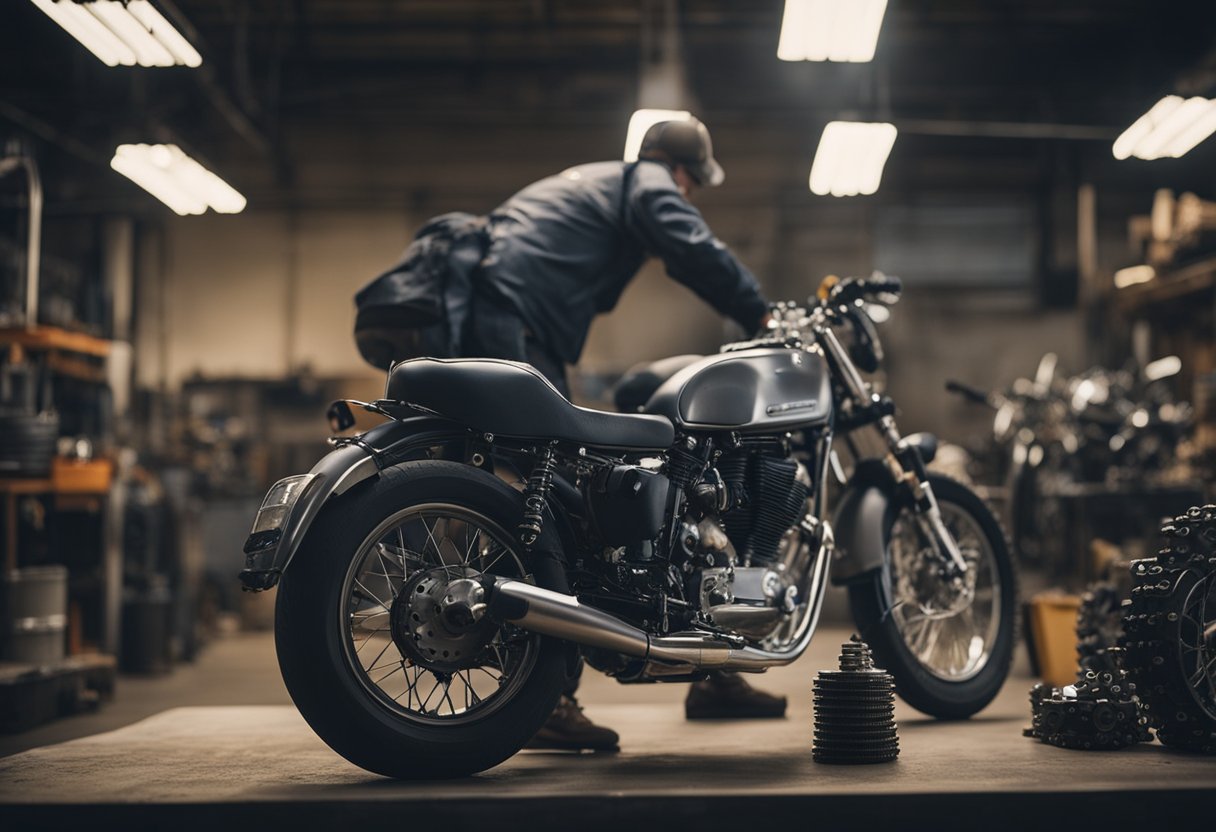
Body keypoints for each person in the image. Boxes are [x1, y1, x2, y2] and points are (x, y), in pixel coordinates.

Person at [460, 116, 787, 750]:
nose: (688, 195)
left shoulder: (594, 182)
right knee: (556, 495)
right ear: (684, 172)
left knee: (550, 483)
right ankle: (546, 695)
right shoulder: (650, 182)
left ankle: (713, 670)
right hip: (513, 320)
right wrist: (758, 310)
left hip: (502, 313)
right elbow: (688, 245)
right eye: (693, 185)